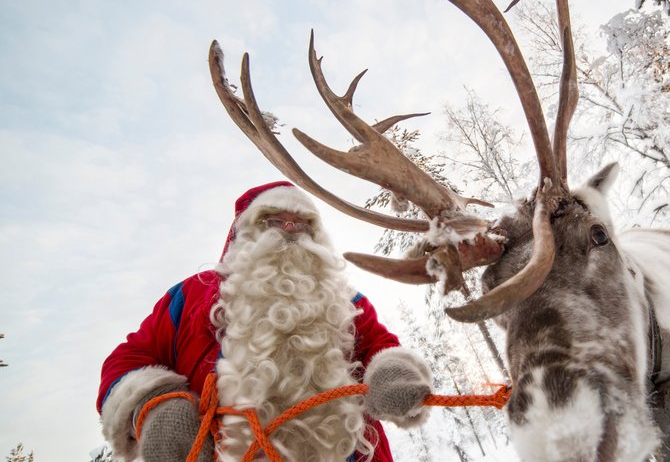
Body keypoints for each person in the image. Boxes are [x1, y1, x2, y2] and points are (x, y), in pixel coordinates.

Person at [97, 181, 433, 462]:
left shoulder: (348, 303)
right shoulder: (191, 296)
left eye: (302, 224)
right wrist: (154, 407)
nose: (290, 230)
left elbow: (381, 347)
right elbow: (129, 358)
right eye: (273, 221)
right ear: (243, 233)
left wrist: (393, 372)